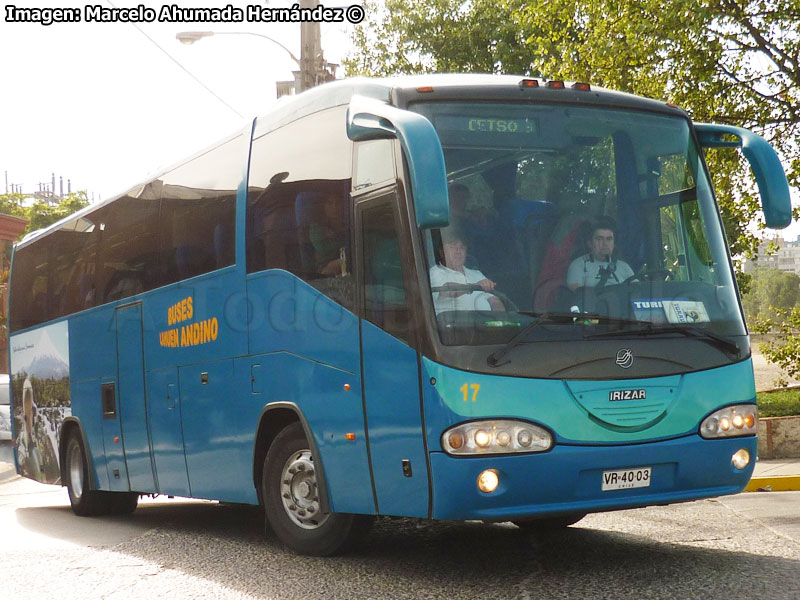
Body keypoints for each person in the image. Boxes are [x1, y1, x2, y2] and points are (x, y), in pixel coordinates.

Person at [429, 228, 505, 313]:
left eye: (462, 248)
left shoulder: (477, 274)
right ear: (441, 252)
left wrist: (500, 316)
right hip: (452, 325)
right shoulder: (435, 272)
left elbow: (494, 301)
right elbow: (446, 289)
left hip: (484, 325)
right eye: (453, 247)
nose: (458, 252)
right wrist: (474, 286)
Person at [566, 217, 634, 290]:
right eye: (599, 239)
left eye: (609, 239)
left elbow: (637, 293)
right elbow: (577, 297)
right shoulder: (578, 266)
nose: (605, 243)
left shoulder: (624, 267)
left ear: (614, 244)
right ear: (590, 244)